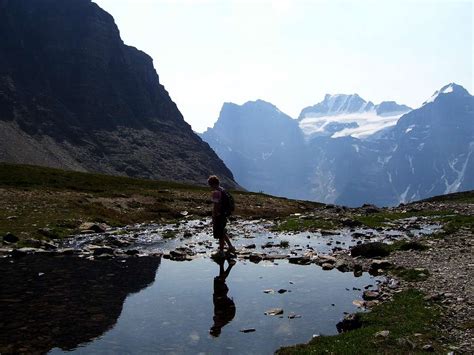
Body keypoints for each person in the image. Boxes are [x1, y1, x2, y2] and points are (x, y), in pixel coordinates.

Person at [208, 175, 236, 259]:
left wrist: (214, 216)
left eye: (210, 185)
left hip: (219, 215)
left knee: (220, 233)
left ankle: (221, 252)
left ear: (212, 184)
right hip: (224, 213)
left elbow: (216, 205)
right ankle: (230, 247)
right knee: (223, 231)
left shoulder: (216, 192)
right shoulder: (223, 190)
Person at [210, 258, 236, 337]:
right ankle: (230, 265)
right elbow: (221, 307)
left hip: (220, 296)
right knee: (220, 280)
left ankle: (223, 263)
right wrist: (221, 298)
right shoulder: (221, 321)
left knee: (219, 279)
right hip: (221, 296)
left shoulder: (221, 322)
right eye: (212, 328)